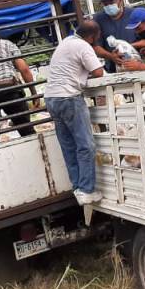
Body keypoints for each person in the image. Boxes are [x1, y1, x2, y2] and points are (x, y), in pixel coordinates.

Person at [44, 20, 105, 205]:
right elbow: (98, 72)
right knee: (86, 145)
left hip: (51, 98)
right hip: (68, 98)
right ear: (92, 37)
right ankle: (87, 190)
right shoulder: (83, 46)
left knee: (68, 146)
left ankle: (78, 187)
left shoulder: (66, 42)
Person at [91, 0, 137, 73]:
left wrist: (128, 47)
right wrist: (111, 56)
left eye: (111, 2)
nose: (109, 6)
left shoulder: (133, 14)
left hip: (137, 63)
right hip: (113, 69)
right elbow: (95, 47)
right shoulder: (98, 20)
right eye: (105, 4)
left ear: (120, 0)